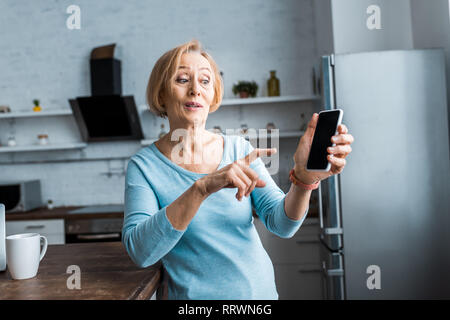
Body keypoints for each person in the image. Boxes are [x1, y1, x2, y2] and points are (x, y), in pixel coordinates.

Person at [122, 40, 354, 299]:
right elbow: (140, 252)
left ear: (213, 95)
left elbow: (281, 223)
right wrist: (201, 189)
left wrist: (303, 178)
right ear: (161, 93)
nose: (196, 89)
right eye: (183, 79)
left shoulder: (238, 149)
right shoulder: (144, 167)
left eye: (205, 81)